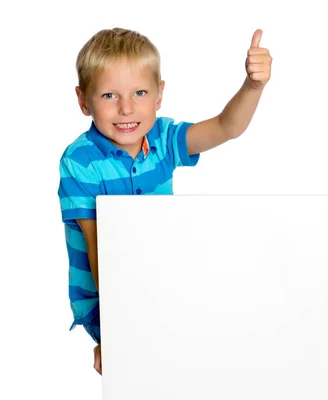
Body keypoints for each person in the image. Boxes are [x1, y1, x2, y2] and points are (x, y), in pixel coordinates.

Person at [57, 27, 272, 375]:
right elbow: (100, 251)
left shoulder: (164, 138)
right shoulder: (79, 161)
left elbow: (226, 127)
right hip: (109, 297)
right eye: (109, 95)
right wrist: (114, 332)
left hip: (160, 281)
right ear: (83, 100)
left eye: (139, 92)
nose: (126, 109)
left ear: (159, 96)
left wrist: (253, 86)